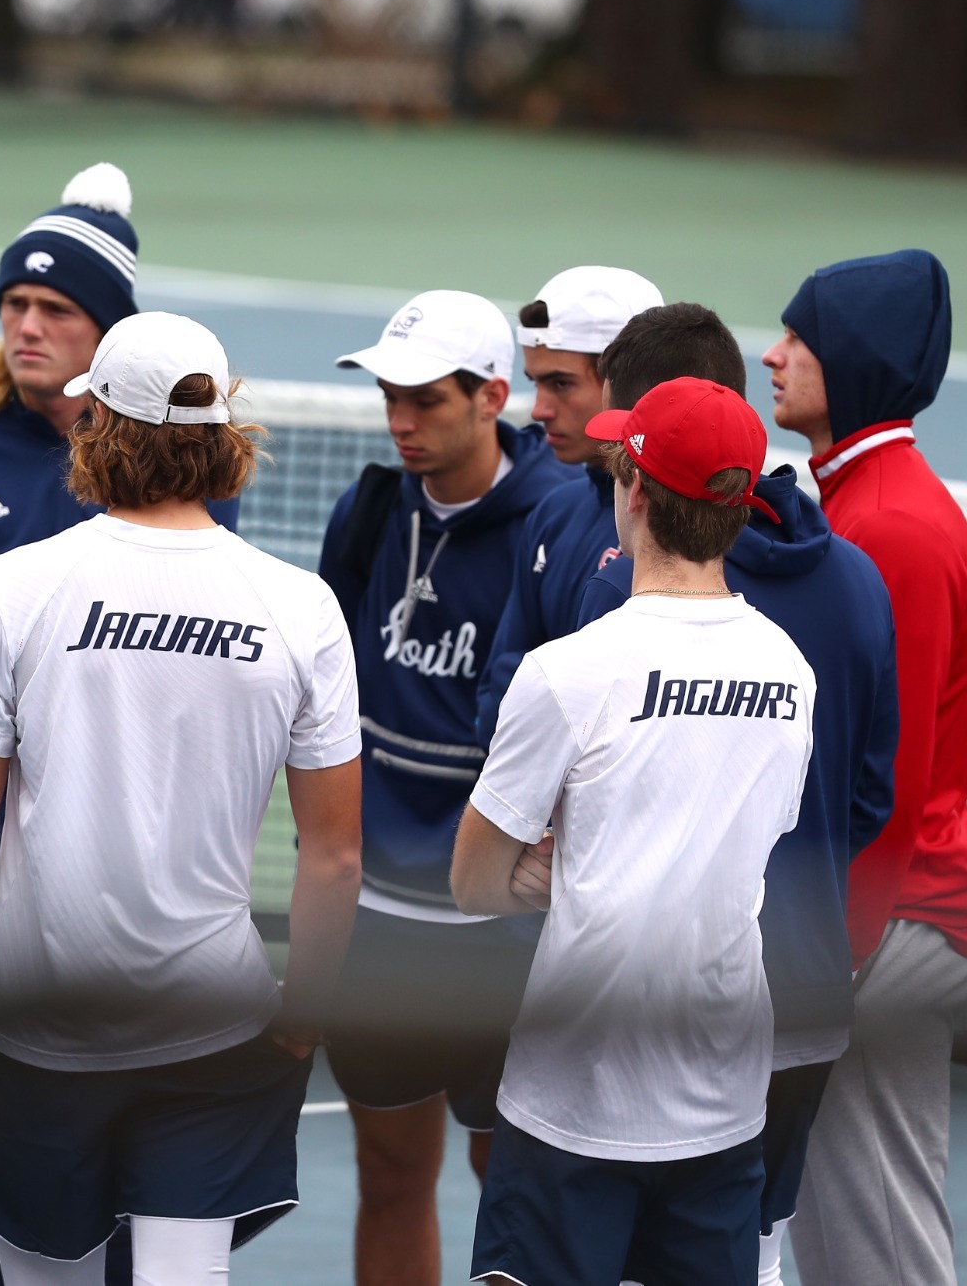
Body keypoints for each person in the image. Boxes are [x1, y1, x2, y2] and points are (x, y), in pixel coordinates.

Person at [0, 312, 364, 1285]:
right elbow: (334, 854)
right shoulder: (301, 609)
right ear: (220, 434)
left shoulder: (5, 590)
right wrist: (306, 1007)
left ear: (92, 424)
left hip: (38, 1023)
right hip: (216, 1016)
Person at [0, 162, 238, 1286]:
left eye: (57, 310)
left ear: (111, 333)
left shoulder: (179, 470)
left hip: (141, 900)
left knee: (147, 1199)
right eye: (14, 306)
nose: (27, 326)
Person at [452, 376, 816, 1286]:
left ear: (638, 493)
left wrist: (556, 870)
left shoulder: (568, 673)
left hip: (572, 1098)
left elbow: (471, 880)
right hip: (725, 1103)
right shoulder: (792, 673)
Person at [571, 302, 900, 1286]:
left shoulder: (621, 604)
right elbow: (866, 800)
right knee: (750, 1249)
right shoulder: (855, 583)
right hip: (804, 987)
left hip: (667, 1004)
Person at [314, 289, 568, 1286]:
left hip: (502, 936)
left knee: (507, 1177)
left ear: (490, 395)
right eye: (389, 397)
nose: (400, 421)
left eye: (424, 399)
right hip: (375, 921)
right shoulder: (370, 510)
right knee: (387, 1171)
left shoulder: (551, 528)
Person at [762, 250, 967, 1286]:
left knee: (876, 1251)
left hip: (879, 928)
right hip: (869, 920)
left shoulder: (886, 524)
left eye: (795, 338)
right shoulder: (858, 497)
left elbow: (879, 776)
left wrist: (830, 959)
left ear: (844, 357)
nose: (770, 354)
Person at [475, 265, 662, 738]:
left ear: (624, 382)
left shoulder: (694, 529)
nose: (538, 410)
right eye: (536, 383)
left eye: (560, 384)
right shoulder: (554, 515)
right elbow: (498, 699)